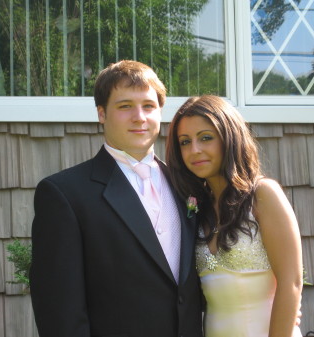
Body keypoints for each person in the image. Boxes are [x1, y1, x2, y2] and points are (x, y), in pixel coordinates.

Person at [29, 60, 203, 337]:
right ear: (101, 113)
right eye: (125, 106)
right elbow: (59, 309)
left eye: (148, 106)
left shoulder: (190, 186)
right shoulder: (65, 193)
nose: (139, 117)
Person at [166, 95, 303, 337]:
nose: (194, 150)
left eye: (206, 138)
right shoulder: (196, 207)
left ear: (229, 138)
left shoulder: (263, 194)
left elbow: (291, 283)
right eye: (185, 142)